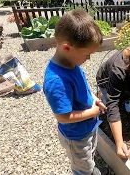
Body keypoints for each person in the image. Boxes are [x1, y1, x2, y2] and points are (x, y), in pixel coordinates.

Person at [43, 9, 108, 175]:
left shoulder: (72, 63)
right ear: (67, 47)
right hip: (76, 136)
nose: (88, 59)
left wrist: (93, 99)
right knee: (81, 167)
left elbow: (83, 87)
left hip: (87, 127)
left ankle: (89, 169)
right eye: (87, 55)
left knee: (89, 155)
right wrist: (92, 111)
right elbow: (63, 117)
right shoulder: (56, 81)